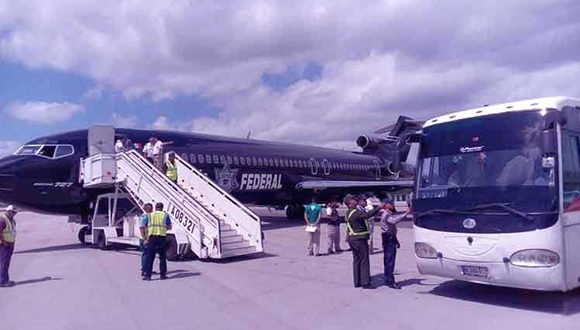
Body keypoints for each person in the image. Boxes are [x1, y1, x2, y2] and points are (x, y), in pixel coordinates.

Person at [345, 195, 383, 289]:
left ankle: (357, 281)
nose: (355, 201)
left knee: (357, 260)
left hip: (353, 239)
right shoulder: (355, 212)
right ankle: (365, 282)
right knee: (364, 260)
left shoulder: (349, 212)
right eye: (353, 200)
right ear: (350, 204)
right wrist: (379, 207)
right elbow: (367, 215)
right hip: (359, 239)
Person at [380, 198, 412, 289]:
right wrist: (406, 213)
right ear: (386, 205)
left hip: (390, 237)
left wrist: (396, 240)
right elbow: (394, 221)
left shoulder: (388, 214)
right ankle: (390, 281)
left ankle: (388, 278)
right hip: (388, 238)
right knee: (390, 260)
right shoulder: (386, 214)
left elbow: (392, 229)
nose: (393, 205)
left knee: (388, 259)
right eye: (390, 203)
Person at [141, 202, 172, 280]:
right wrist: (163, 228)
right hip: (161, 238)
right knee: (162, 258)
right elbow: (169, 227)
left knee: (150, 257)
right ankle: (163, 275)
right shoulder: (165, 215)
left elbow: (144, 225)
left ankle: (148, 276)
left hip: (152, 238)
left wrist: (145, 237)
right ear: (162, 208)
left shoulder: (150, 215)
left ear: (155, 208)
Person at [0, 205, 18, 288]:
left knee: (6, 263)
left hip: (10, 243)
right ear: (8, 211)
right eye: (13, 212)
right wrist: (3, 242)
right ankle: (2, 281)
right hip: (4, 245)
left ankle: (5, 279)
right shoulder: (2, 220)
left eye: (15, 212)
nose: (14, 214)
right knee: (3, 263)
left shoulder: (12, 220)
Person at [138, 203, 153, 277]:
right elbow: (142, 228)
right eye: (150, 208)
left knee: (149, 255)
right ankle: (144, 270)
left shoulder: (148, 216)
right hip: (145, 239)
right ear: (146, 209)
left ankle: (148, 269)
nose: (151, 210)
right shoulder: (144, 216)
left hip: (149, 238)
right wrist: (145, 239)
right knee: (145, 255)